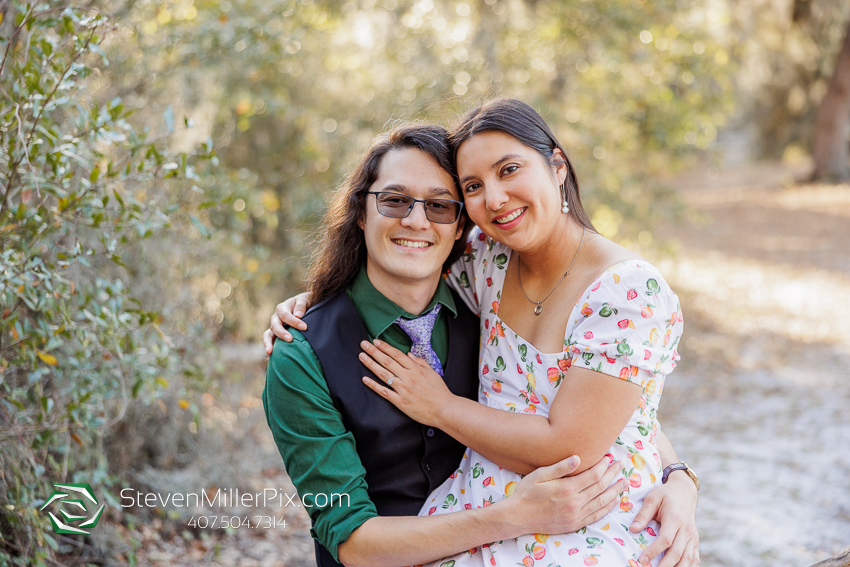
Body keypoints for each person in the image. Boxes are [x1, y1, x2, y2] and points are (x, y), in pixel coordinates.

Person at [263, 120, 699, 567]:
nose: (416, 220)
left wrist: (678, 476)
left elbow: (605, 401)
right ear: (361, 211)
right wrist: (514, 516)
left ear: (459, 228)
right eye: (394, 201)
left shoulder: (480, 295)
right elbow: (352, 543)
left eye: (439, 206)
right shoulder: (302, 355)